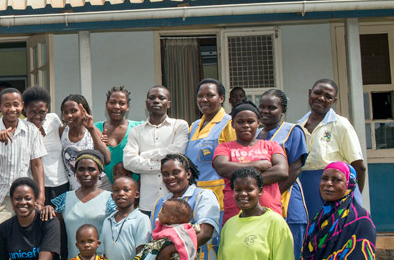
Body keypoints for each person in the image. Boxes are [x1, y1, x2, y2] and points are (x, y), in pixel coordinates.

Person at [0, 87, 47, 254]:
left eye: (15, 105)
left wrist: (40, 197)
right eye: (6, 105)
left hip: (27, 201)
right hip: (1, 201)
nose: (11, 109)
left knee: (27, 248)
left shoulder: (31, 130)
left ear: (22, 106)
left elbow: (36, 165)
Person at [297, 79, 366, 220]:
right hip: (307, 188)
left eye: (328, 96)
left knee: (337, 232)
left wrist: (353, 195)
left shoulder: (341, 125)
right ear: (310, 93)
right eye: (317, 93)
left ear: (334, 100)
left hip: (335, 187)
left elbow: (359, 166)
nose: (321, 98)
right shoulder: (298, 127)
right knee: (313, 233)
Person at [257, 89, 309, 260]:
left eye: (271, 107)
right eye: (262, 107)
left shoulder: (292, 131)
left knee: (291, 255)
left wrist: (274, 196)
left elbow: (295, 168)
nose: (265, 111)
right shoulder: (255, 134)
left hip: (287, 198)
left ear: (282, 110)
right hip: (261, 201)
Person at [213, 101, 288, 220]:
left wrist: (240, 178)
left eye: (250, 121)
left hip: (269, 215)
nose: (246, 125)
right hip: (235, 215)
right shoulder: (224, 147)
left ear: (258, 123)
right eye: (240, 122)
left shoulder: (272, 146)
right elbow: (222, 168)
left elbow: (282, 171)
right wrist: (259, 164)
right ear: (232, 124)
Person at [123, 86, 189, 215]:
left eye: (161, 98)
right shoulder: (136, 131)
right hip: (148, 204)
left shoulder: (179, 126)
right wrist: (165, 167)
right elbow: (129, 162)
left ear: (169, 104)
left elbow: (178, 152)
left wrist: (145, 155)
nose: (156, 101)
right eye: (152, 98)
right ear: (146, 103)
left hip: (175, 200)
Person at [49, 150, 116, 260]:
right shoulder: (64, 199)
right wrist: (48, 208)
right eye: (81, 169)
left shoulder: (110, 198)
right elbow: (54, 228)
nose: (86, 173)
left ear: (100, 172)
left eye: (91, 169)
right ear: (75, 173)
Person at [186, 78, 237, 209]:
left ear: (221, 98)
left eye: (210, 95)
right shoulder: (194, 126)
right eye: (200, 96)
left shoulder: (229, 124)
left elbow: (236, 162)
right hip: (194, 198)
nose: (204, 100)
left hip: (220, 198)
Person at [23, 86, 67, 199]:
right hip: (35, 185)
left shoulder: (54, 120)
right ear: (24, 109)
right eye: (32, 112)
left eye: (42, 112)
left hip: (61, 183)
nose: (37, 116)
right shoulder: (21, 128)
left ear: (47, 109)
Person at [60, 94, 111, 190]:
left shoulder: (92, 131)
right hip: (77, 190)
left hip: (99, 187)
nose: (69, 115)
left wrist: (91, 129)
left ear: (84, 111)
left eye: (74, 111)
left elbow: (107, 159)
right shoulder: (62, 131)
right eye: (65, 112)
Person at [95, 86, 143, 184]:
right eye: (112, 102)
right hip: (103, 190)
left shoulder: (139, 127)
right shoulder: (95, 128)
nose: (116, 106)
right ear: (106, 104)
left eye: (122, 103)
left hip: (133, 191)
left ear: (128, 106)